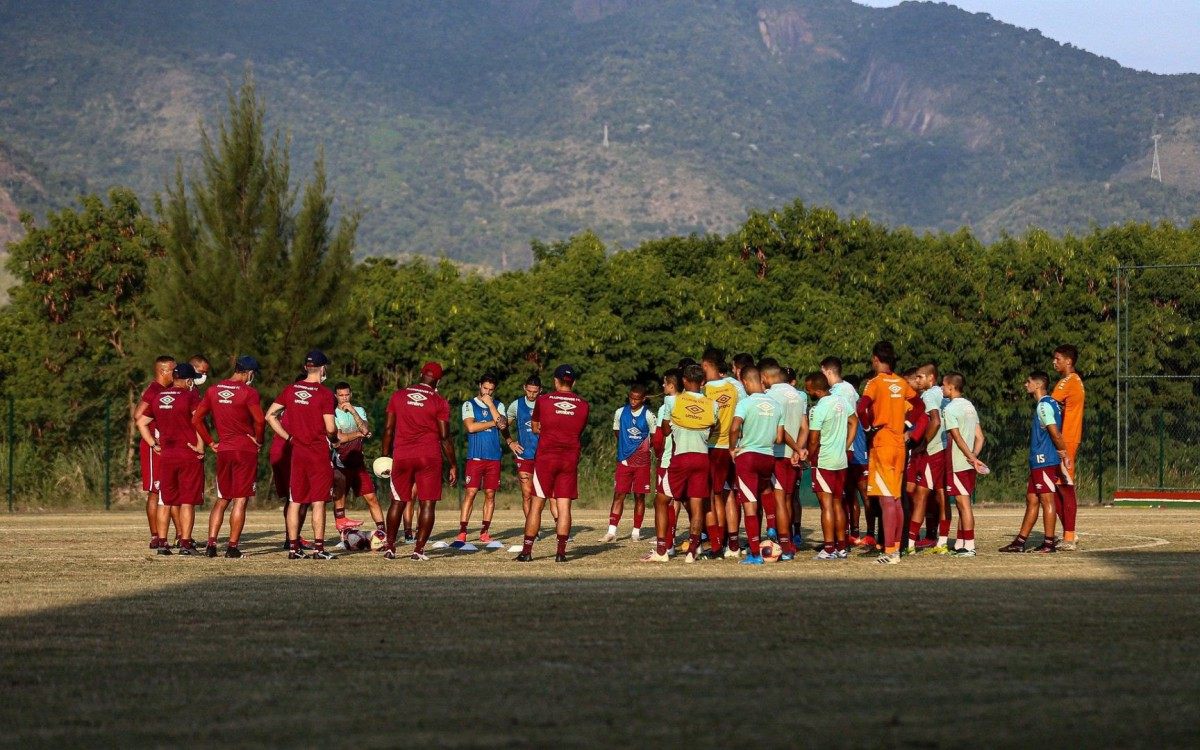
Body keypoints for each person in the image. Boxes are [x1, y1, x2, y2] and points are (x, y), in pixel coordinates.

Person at [266, 350, 338, 560]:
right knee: (318, 501)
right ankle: (318, 548)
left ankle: (293, 548)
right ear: (323, 368)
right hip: (317, 452)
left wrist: (289, 438)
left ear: (306, 367)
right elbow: (331, 428)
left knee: (295, 500)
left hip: (297, 452)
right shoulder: (324, 393)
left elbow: (270, 416)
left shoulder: (290, 390)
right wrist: (333, 439)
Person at [381, 361, 457, 561]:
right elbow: (444, 437)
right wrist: (453, 464)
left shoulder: (398, 395)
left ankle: (390, 547)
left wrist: (384, 455)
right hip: (429, 456)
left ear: (421, 375)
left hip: (402, 455)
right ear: (438, 380)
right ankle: (419, 550)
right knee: (427, 504)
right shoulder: (439, 401)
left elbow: (388, 429)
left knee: (397, 502)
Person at [856, 341, 923, 564]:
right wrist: (907, 423)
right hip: (899, 446)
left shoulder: (874, 383)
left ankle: (890, 551)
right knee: (895, 498)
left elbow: (861, 408)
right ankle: (896, 548)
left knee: (887, 501)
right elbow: (920, 407)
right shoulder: (901, 382)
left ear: (876, 359)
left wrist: (868, 428)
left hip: (882, 444)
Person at [192, 356, 264, 558]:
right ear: (249, 373)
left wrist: (210, 442)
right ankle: (232, 547)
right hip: (244, 449)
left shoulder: (213, 390)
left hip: (224, 449)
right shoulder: (249, 392)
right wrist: (259, 440)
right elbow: (259, 420)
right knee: (240, 500)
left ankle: (211, 545)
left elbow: (197, 418)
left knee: (222, 498)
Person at [516, 365, 590, 562]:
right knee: (564, 506)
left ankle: (526, 552)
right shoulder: (583, 404)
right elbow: (578, 430)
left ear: (555, 381)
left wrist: (550, 432)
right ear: (573, 382)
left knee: (537, 504)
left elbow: (535, 427)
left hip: (546, 458)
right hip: (569, 459)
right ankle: (561, 553)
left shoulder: (543, 400)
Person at [136, 362, 203, 555]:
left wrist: (153, 443)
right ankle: (185, 543)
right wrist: (202, 444)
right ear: (189, 380)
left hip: (166, 455)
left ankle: (163, 543)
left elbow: (141, 421)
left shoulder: (158, 397)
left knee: (164, 500)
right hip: (186, 454)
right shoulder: (189, 396)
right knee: (187, 501)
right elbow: (198, 421)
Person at [660, 364, 720, 563]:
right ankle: (693, 550)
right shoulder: (713, 405)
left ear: (684, 381)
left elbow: (666, 431)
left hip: (681, 456)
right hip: (702, 457)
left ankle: (662, 548)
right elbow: (712, 430)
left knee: (661, 500)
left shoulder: (672, 401)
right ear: (703, 382)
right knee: (697, 505)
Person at [1000, 371, 1063, 554]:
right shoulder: (1051, 403)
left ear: (1038, 385)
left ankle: (1049, 543)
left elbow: (1054, 431)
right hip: (1039, 460)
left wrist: (1063, 452)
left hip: (1044, 459)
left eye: (1028, 381)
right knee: (1032, 499)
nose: (1025, 384)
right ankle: (1019, 542)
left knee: (1046, 499)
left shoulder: (1043, 405)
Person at [727, 366, 784, 565]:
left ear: (745, 382)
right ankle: (771, 526)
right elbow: (779, 438)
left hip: (748, 456)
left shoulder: (745, 403)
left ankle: (754, 554)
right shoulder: (777, 405)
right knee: (766, 489)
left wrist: (732, 447)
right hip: (768, 456)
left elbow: (734, 427)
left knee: (749, 506)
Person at [701, 348, 744, 557]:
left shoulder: (706, 390)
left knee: (714, 496)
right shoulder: (735, 387)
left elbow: (705, 420)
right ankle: (734, 545)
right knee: (729, 495)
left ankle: (717, 544)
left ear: (707, 365)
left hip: (714, 447)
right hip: (734, 447)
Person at [761, 361, 806, 559]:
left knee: (779, 501)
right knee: (788, 499)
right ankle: (788, 544)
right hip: (793, 456)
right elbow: (805, 426)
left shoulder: (770, 396)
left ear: (765, 377)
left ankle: (785, 546)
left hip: (778, 454)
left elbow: (779, 434)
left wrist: (794, 447)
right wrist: (798, 449)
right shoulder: (797, 394)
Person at [805, 372, 852, 560]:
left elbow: (814, 439)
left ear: (817, 390)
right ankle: (841, 547)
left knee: (826, 506)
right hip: (841, 461)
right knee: (837, 503)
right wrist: (845, 445)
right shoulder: (841, 401)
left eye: (808, 389)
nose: (807, 391)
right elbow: (854, 421)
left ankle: (830, 548)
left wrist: (808, 456)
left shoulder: (818, 409)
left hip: (824, 461)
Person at [822, 358, 869, 546]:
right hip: (848, 447)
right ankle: (849, 534)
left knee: (850, 493)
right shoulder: (846, 389)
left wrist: (845, 444)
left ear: (827, 372)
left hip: (847, 449)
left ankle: (849, 535)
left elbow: (849, 420)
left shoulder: (840, 392)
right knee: (846, 494)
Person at [331, 382, 386, 540]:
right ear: (336, 396)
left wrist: (353, 411)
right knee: (340, 500)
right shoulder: (333, 413)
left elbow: (366, 429)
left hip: (358, 463)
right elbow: (340, 438)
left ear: (351, 395)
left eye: (346, 394)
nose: (344, 398)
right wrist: (359, 433)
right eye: (341, 395)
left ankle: (383, 533)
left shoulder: (359, 410)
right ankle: (343, 537)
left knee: (372, 497)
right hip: (341, 463)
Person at [602, 383, 656, 542]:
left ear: (643, 399)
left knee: (639, 496)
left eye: (637, 399)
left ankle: (636, 532)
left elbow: (654, 437)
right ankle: (611, 531)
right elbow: (617, 432)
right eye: (631, 398)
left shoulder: (649, 415)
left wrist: (640, 450)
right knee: (619, 494)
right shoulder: (620, 412)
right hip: (624, 461)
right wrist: (628, 449)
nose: (633, 401)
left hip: (642, 463)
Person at [907, 362, 952, 554]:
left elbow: (935, 420)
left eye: (920, 377)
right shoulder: (942, 396)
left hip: (932, 452)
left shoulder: (930, 394)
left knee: (921, 496)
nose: (917, 381)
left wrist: (923, 443)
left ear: (931, 378)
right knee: (940, 495)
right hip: (941, 450)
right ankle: (941, 542)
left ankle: (909, 544)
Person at [942, 372, 986, 557]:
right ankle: (961, 543)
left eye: (943, 385)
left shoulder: (950, 409)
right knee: (962, 504)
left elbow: (957, 438)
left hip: (959, 463)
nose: (942, 388)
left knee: (963, 504)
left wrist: (970, 457)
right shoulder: (970, 406)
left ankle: (969, 546)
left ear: (951, 387)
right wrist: (974, 456)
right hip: (968, 463)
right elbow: (980, 437)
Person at [459, 373, 506, 544]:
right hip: (476, 456)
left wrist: (491, 405)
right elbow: (471, 427)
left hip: (494, 457)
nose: (488, 392)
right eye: (485, 388)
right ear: (480, 385)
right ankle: (463, 531)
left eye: (491, 390)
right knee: (470, 492)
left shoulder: (499, 405)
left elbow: (503, 424)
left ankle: (485, 531)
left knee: (490, 494)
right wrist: (493, 422)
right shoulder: (468, 404)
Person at [135, 355, 176, 549]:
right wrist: (153, 441)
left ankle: (176, 535)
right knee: (155, 491)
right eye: (173, 370)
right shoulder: (154, 390)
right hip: (154, 448)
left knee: (168, 491)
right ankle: (155, 535)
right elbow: (138, 415)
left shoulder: (168, 390)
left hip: (166, 447)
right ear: (163, 371)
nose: (176, 373)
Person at [642, 369, 681, 563]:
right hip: (691, 456)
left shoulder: (667, 405)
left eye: (665, 383)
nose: (663, 387)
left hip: (668, 460)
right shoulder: (691, 401)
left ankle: (665, 546)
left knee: (663, 502)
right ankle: (695, 544)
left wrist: (657, 455)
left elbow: (659, 438)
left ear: (671, 385)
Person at [1051, 344, 1085, 550]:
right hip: (1067, 438)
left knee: (1064, 487)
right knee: (1055, 487)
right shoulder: (1075, 381)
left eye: (1057, 358)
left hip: (1066, 440)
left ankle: (1070, 537)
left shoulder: (1067, 382)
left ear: (1068, 361)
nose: (1054, 362)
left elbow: (1048, 407)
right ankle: (1069, 532)